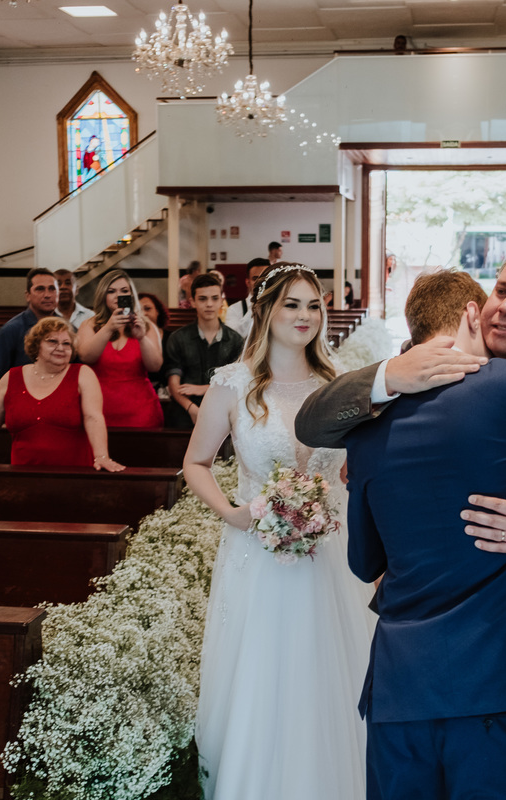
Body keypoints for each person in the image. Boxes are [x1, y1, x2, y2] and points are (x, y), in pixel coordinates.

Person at [294, 239, 506, 796]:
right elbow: (313, 421)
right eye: (501, 289)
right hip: (430, 663)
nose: (505, 306)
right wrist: (390, 376)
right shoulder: (409, 376)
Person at [183, 264, 375, 800]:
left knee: (330, 667)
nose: (306, 316)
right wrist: (232, 511)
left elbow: (356, 464)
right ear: (265, 311)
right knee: (265, 672)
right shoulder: (232, 384)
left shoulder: (338, 382)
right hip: (256, 552)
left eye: (314, 305)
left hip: (329, 553)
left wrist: (344, 483)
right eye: (292, 304)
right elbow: (196, 462)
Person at [0, 317, 123, 471]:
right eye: (52, 341)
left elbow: (93, 417)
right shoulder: (12, 377)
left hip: (74, 474)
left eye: (66, 343)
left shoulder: (82, 374)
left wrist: (102, 456)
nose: (61, 347)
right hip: (23, 475)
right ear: (36, 346)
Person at [77, 269, 163, 428]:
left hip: (141, 410)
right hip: (98, 409)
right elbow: (86, 357)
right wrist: (108, 328)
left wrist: (142, 338)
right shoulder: (90, 325)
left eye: (124, 291)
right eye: (111, 291)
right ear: (103, 295)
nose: (118, 296)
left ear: (132, 295)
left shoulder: (146, 325)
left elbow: (155, 366)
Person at [0, 268, 60, 418]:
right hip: (21, 410)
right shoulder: (12, 330)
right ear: (27, 295)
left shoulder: (68, 330)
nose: (47, 295)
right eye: (40, 289)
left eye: (52, 289)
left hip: (57, 408)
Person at [163, 274, 245, 427]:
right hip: (185, 413)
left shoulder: (235, 340)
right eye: (202, 299)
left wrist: (204, 389)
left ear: (221, 301)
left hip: (223, 413)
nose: (209, 304)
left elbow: (238, 384)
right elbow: (174, 385)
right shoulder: (178, 338)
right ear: (192, 302)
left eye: (214, 298)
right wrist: (192, 409)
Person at [224, 258, 269, 339]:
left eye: (265, 278)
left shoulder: (279, 307)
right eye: (255, 278)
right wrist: (256, 304)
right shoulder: (234, 309)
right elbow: (233, 339)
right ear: (248, 282)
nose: (260, 282)